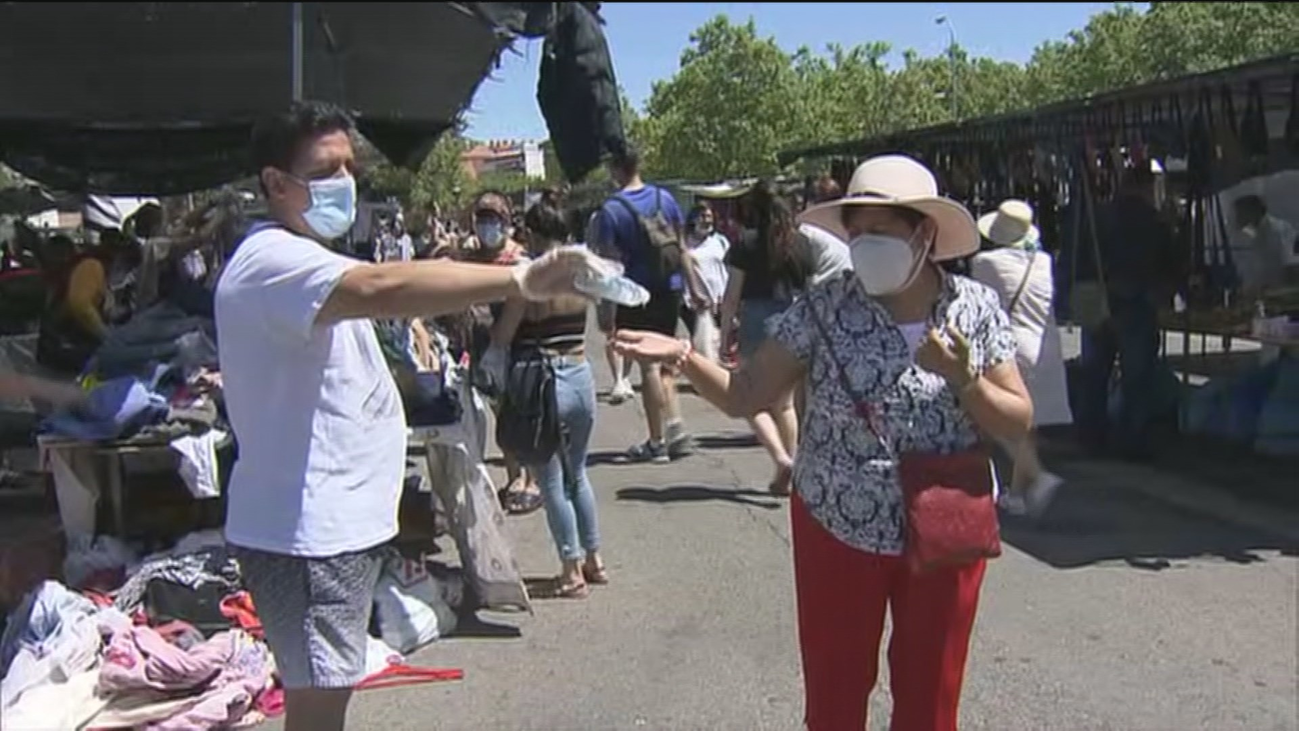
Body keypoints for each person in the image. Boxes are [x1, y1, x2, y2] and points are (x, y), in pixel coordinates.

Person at [214, 100, 602, 731]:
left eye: (349, 166)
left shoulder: (301, 257)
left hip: (328, 531)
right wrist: (518, 279)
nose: (344, 182)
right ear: (273, 183)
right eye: (325, 169)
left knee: (324, 701)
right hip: (309, 535)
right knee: (316, 712)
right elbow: (381, 287)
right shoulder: (274, 260)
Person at [614, 154, 1032, 731]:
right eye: (856, 234)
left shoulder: (973, 309)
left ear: (924, 234)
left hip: (945, 529)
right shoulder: (825, 304)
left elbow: (1015, 422)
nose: (864, 247)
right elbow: (746, 394)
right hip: (837, 525)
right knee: (835, 698)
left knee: (932, 699)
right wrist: (683, 355)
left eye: (880, 233)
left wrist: (965, 377)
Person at [489, 190, 606, 598]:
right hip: (580, 374)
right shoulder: (585, 274)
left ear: (535, 234)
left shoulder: (532, 278)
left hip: (544, 382)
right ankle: (594, 559)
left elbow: (504, 335)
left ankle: (570, 569)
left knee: (551, 480)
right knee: (579, 474)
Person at [592, 146, 694, 463]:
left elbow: (608, 266)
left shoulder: (611, 211)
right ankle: (675, 425)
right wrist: (693, 287)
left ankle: (656, 440)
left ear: (614, 169)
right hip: (670, 287)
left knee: (648, 363)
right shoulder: (666, 199)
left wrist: (606, 311)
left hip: (636, 292)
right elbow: (681, 247)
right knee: (666, 358)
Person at [970, 199, 1071, 518]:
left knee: (991, 416)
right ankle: (1017, 492)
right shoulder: (1044, 261)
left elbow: (978, 303)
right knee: (1026, 422)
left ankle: (1036, 475)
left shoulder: (985, 262)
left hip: (1006, 347)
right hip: (1044, 346)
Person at [1076, 171, 1177, 461]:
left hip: (1100, 297)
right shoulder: (1155, 221)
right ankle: (1131, 438)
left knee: (1096, 371)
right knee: (1136, 375)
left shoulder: (1098, 216)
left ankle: (1091, 433)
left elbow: (1081, 255)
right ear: (1145, 187)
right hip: (1137, 300)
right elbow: (1168, 262)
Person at [719, 183, 812, 496]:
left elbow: (732, 295)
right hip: (793, 318)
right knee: (784, 404)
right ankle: (794, 465)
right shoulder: (800, 244)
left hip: (757, 319)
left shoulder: (745, 244)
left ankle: (781, 458)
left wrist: (723, 336)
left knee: (750, 397)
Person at [456, 191, 542, 515]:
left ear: (506, 221)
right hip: (481, 346)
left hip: (518, 346)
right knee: (501, 415)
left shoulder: (519, 258)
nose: (487, 224)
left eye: (494, 218)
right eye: (482, 218)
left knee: (523, 413)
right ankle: (514, 476)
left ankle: (533, 479)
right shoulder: (470, 258)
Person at [680, 202, 730, 363]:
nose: (707, 220)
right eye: (702, 216)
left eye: (709, 216)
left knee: (719, 340)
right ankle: (704, 375)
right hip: (693, 300)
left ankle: (717, 374)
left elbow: (728, 269)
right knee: (701, 340)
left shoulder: (720, 241)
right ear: (693, 219)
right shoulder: (685, 244)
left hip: (720, 299)